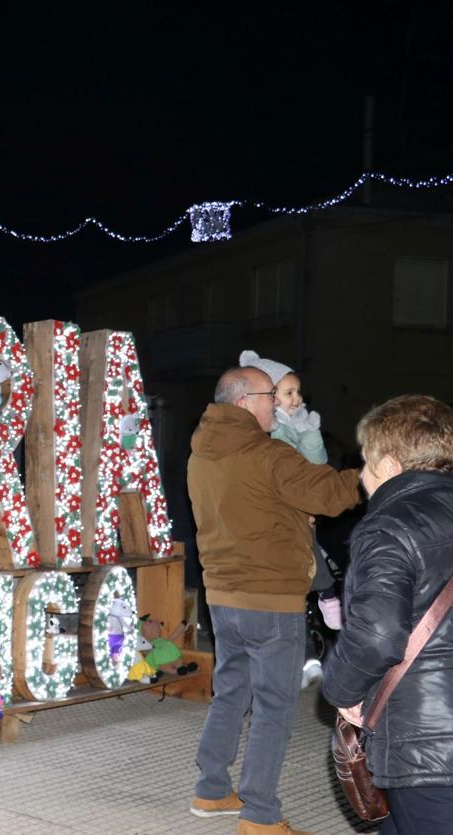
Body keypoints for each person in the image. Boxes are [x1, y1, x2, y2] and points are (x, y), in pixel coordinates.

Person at [187, 366, 361, 835]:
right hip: (269, 599)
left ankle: (211, 788)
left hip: (222, 596)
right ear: (245, 401)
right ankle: (260, 815)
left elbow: (253, 506)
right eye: (271, 397)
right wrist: (371, 474)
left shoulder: (201, 453)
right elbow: (329, 494)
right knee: (274, 705)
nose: (280, 405)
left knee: (231, 692)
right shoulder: (268, 454)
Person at [322, 395, 453, 835]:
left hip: (428, 747)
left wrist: (340, 689)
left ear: (392, 466)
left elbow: (377, 635)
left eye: (367, 462)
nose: (361, 475)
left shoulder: (390, 525)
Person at [240, 350, 343, 629]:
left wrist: (309, 432)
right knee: (303, 550)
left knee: (308, 547)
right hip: (280, 509)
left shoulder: (298, 424)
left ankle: (324, 593)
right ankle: (325, 591)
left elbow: (317, 463)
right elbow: (281, 471)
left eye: (298, 392)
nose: (297, 398)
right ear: (270, 398)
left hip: (299, 502)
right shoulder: (265, 432)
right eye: (289, 392)